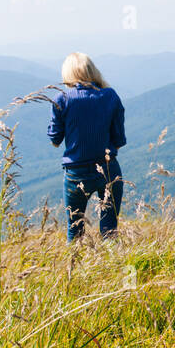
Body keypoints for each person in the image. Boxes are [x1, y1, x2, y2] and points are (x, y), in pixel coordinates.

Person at [47, 53, 126, 242]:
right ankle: (112, 266)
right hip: (108, 168)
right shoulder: (110, 96)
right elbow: (119, 139)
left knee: (75, 230)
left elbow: (55, 139)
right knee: (109, 229)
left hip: (76, 173)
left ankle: (75, 269)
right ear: (92, 71)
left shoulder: (62, 99)